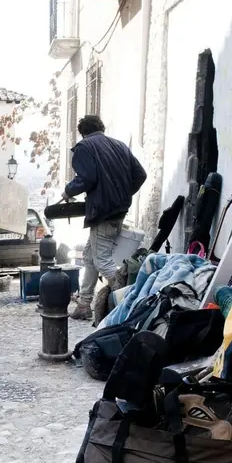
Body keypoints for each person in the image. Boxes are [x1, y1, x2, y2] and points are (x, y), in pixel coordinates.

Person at [62, 115, 147, 321]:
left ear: (82, 132)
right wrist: (123, 194)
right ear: (101, 127)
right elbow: (140, 175)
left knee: (102, 260)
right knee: (90, 256)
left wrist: (68, 191)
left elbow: (87, 177)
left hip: (102, 211)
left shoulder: (84, 147)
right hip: (119, 209)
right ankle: (84, 304)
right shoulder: (119, 146)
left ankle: (130, 301)